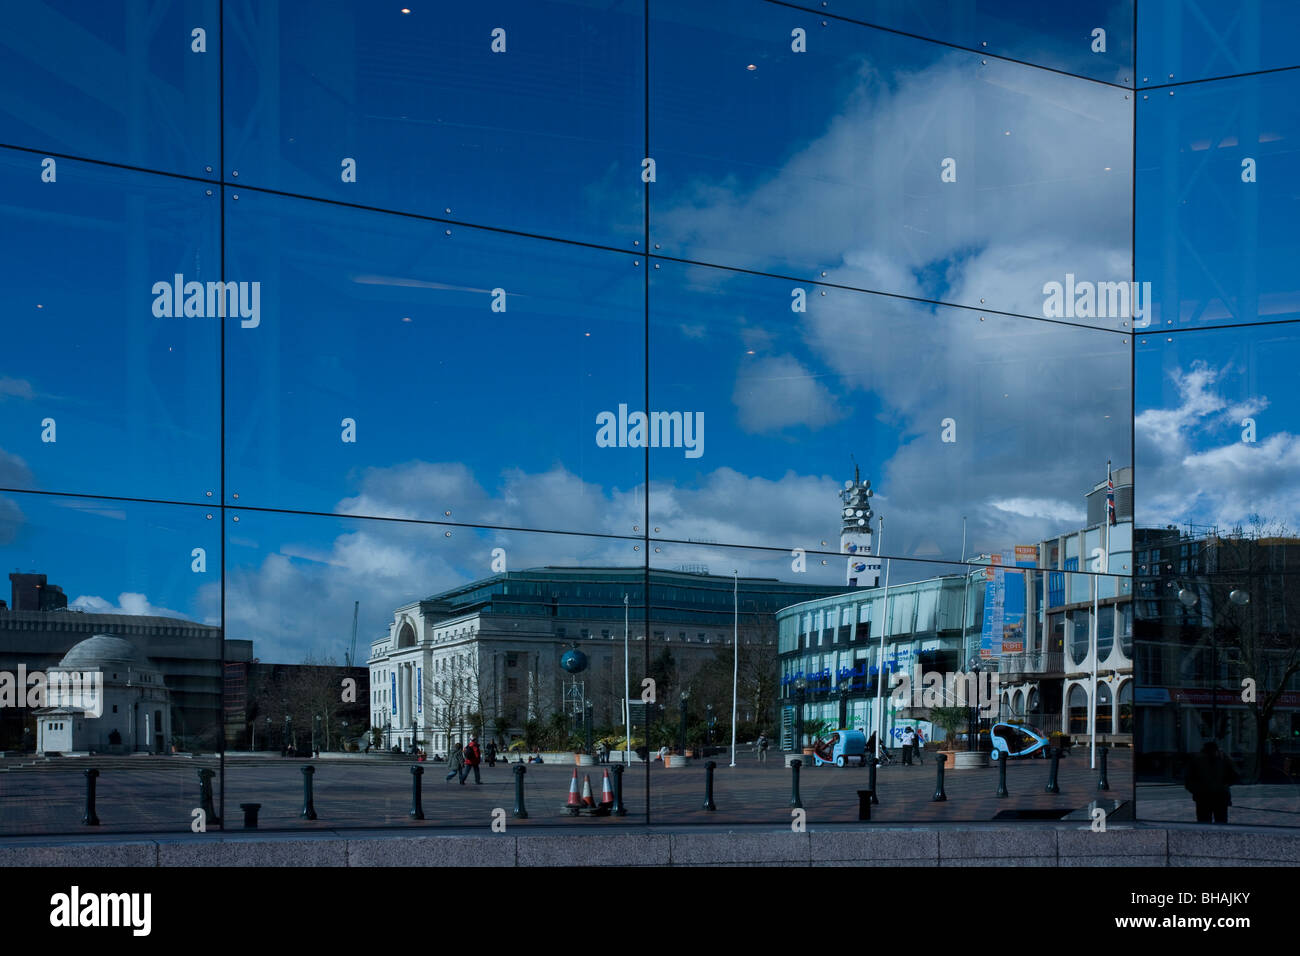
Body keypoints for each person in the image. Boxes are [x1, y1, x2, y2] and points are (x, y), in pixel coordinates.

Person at [1184, 741, 1239, 823]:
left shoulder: (1196, 759)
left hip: (1204, 796)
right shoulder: (1224, 758)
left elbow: (1188, 779)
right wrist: (1224, 785)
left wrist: (1195, 790)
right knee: (1220, 822)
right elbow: (1235, 775)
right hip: (1219, 795)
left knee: (1204, 823)